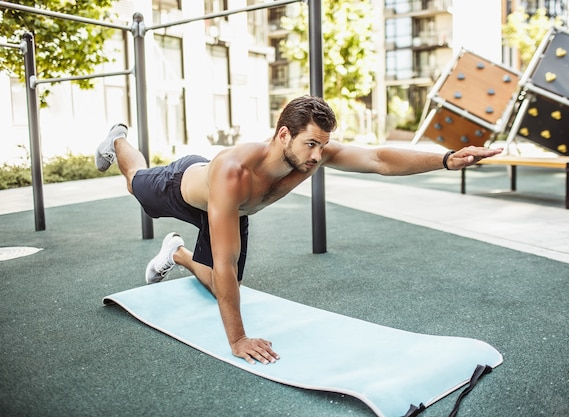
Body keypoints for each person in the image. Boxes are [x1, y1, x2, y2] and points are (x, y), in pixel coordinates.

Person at [95, 95, 502, 365]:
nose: (318, 155)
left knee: (226, 285)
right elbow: (225, 258)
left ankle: (177, 253)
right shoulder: (234, 171)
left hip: (229, 209)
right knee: (135, 179)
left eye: (323, 145)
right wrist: (238, 340)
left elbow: (379, 158)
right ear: (283, 134)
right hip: (182, 187)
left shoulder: (311, 154)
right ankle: (118, 139)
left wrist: (447, 159)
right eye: (311, 144)